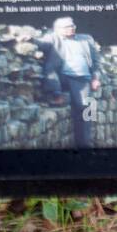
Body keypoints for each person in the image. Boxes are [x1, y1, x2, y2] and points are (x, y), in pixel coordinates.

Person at [37, 16, 102, 148]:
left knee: (87, 110)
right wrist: (27, 39)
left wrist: (96, 78)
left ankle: (84, 144)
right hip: (63, 77)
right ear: (57, 29)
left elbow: (96, 62)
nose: (71, 28)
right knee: (83, 108)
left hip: (83, 79)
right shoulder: (53, 37)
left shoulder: (86, 39)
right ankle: (56, 94)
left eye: (73, 26)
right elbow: (40, 43)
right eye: (67, 26)